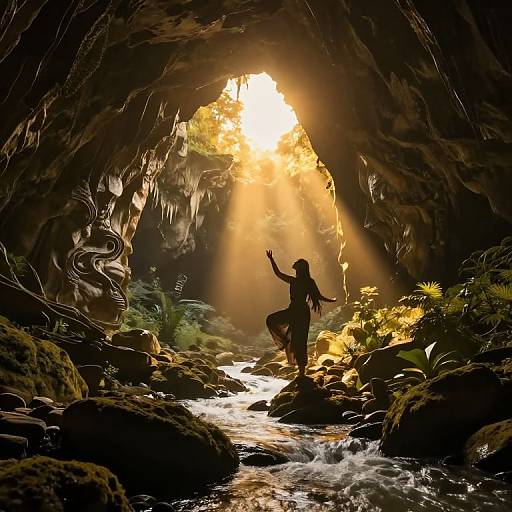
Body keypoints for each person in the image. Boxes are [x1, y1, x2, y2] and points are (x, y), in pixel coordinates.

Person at [265, 250, 336, 378]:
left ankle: (301, 373)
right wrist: (271, 259)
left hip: (299, 312)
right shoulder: (302, 281)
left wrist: (330, 300)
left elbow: (318, 296)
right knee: (273, 321)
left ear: (300, 267)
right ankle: (287, 342)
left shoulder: (302, 281)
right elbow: (278, 273)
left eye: (296, 263)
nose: (294, 264)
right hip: (297, 311)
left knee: (300, 340)